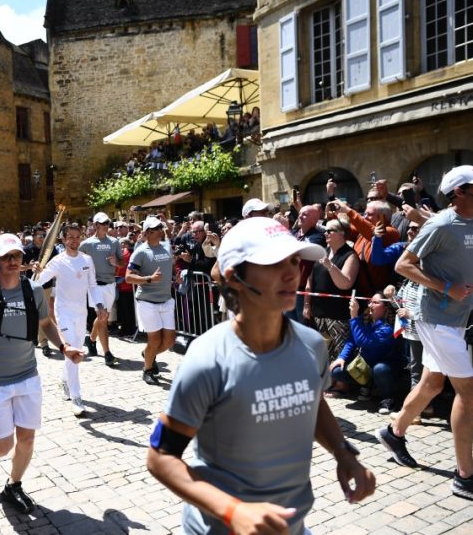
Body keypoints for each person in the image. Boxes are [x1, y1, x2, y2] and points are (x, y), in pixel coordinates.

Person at [147, 217, 375, 535]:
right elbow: (160, 457)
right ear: (234, 278)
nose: (291, 272)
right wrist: (232, 510)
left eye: (294, 260)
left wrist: (342, 451)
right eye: (273, 263)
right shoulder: (206, 358)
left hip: (291, 526)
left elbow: (312, 399)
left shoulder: (311, 345)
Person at [0, 233, 82, 514]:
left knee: (27, 439)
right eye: (7, 257)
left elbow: (47, 322)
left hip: (27, 376)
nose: (13, 261)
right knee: (3, 446)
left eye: (17, 256)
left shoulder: (33, 291)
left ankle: (13, 485)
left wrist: (64, 347)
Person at [377, 166, 473, 501]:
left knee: (432, 383)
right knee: (469, 394)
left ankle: (394, 431)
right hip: (439, 319)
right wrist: (446, 287)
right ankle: (465, 476)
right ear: (459, 192)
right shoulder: (442, 224)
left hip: (460, 319)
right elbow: (402, 264)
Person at [35, 223, 102, 417]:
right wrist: (38, 271)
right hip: (63, 312)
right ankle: (77, 398)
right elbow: (38, 281)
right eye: (70, 237)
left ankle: (65, 380)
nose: (74, 240)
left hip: (81, 313)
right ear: (63, 240)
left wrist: (99, 306)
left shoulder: (87, 259)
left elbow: (93, 285)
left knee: (73, 352)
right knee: (73, 352)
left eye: (77, 236)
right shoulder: (57, 261)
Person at [327, 291, 400, 414]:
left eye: (375, 302)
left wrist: (354, 315)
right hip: (366, 366)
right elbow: (352, 340)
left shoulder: (389, 328)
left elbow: (364, 341)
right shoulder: (365, 320)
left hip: (387, 368)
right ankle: (367, 386)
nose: (370, 305)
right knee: (337, 371)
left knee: (380, 368)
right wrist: (342, 357)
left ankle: (388, 398)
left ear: (385, 307)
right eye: (370, 302)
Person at [125, 216, 175, 385]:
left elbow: (169, 269)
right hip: (147, 302)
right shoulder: (140, 251)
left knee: (169, 342)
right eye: (156, 229)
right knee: (154, 340)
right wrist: (149, 279)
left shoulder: (167, 247)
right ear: (147, 233)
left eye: (160, 227)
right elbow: (128, 277)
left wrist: (175, 278)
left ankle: (148, 354)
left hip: (166, 300)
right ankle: (147, 369)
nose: (161, 230)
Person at [304, 217, 360, 360]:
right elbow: (310, 281)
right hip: (318, 314)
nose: (326, 233)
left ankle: (341, 382)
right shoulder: (322, 252)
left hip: (338, 316)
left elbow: (345, 284)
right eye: (325, 230)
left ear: (342, 234)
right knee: (322, 356)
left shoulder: (350, 255)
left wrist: (330, 266)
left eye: (330, 231)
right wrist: (306, 305)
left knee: (340, 356)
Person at [79, 212, 124, 366]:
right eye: (103, 223)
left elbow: (122, 263)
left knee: (103, 317)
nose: (106, 226)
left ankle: (91, 340)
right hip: (95, 285)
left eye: (107, 223)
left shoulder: (114, 242)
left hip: (110, 284)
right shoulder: (86, 244)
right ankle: (107, 353)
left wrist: (116, 262)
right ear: (96, 225)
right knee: (103, 317)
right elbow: (76, 261)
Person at [22, 225, 59, 357]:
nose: (42, 237)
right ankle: (34, 336)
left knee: (43, 313)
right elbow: (18, 267)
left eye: (44, 235)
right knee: (32, 313)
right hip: (30, 285)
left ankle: (44, 343)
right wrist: (29, 266)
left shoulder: (51, 249)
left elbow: (57, 264)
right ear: (33, 236)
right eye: (40, 235)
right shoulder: (26, 250)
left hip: (46, 286)